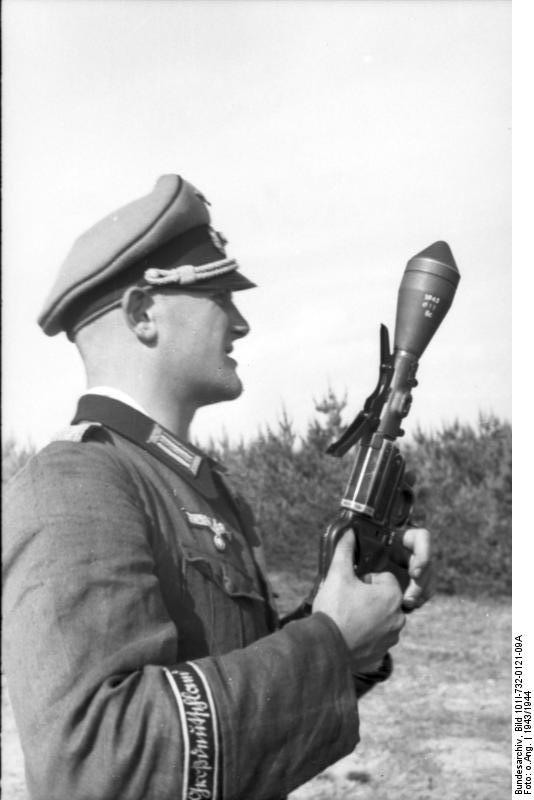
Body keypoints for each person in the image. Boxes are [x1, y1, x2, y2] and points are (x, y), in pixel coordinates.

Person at [3, 174, 433, 800]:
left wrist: (358, 608)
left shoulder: (195, 487)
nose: (242, 323)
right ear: (142, 313)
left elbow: (244, 697)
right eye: (218, 296)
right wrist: (331, 641)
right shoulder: (74, 483)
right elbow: (96, 764)